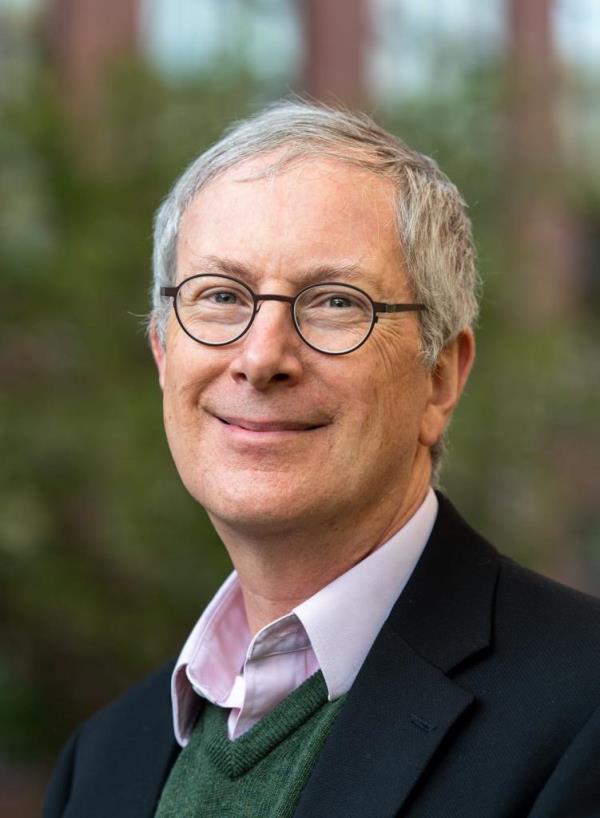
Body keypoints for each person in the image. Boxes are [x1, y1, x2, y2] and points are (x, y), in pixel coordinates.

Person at [43, 101, 600, 818]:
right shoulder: (100, 762)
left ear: (441, 378)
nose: (261, 357)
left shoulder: (582, 712)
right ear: (161, 351)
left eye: (335, 303)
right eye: (220, 296)